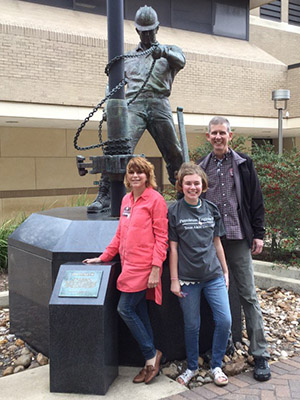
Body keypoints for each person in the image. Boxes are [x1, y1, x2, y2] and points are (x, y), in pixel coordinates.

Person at [88, 5, 185, 212]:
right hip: (135, 106)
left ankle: (183, 192)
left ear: (157, 28)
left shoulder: (170, 52)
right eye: (144, 31)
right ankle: (105, 195)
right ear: (137, 31)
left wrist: (164, 52)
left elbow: (181, 61)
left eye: (151, 30)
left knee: (174, 151)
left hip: (159, 103)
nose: (148, 34)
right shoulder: (128, 59)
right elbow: (113, 84)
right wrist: (109, 105)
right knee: (118, 148)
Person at [83, 156, 168, 384]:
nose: (135, 176)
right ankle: (152, 358)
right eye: (131, 172)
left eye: (140, 172)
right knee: (138, 312)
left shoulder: (155, 200)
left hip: (144, 268)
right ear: (127, 177)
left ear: (148, 175)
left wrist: (155, 268)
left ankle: (151, 355)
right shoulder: (126, 201)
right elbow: (120, 234)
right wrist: (102, 257)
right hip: (128, 267)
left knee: (125, 309)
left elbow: (162, 238)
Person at [199, 116, 271, 382]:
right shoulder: (201, 168)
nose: (218, 137)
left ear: (230, 135)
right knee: (217, 294)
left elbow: (256, 200)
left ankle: (260, 352)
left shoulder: (243, 164)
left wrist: (259, 234)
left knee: (248, 295)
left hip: (239, 238)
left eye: (222, 133)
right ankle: (224, 343)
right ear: (208, 137)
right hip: (211, 242)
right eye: (213, 133)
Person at [168, 162, 232, 387]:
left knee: (224, 320)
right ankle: (192, 367)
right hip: (187, 280)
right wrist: (174, 280)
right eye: (188, 183)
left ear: (203, 185)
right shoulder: (174, 211)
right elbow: (173, 248)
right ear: (181, 185)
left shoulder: (211, 209)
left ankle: (216, 365)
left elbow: (217, 243)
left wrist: (225, 271)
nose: (192, 187)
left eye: (196, 183)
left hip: (213, 276)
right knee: (191, 326)